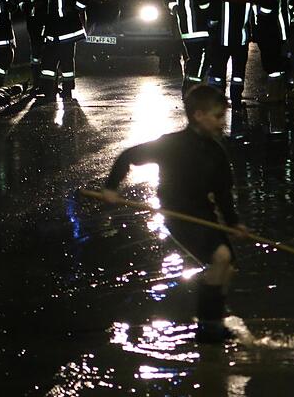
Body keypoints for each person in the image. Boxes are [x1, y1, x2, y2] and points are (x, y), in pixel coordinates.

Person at [100, 85, 238, 343]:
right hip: (177, 215)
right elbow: (128, 156)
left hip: (202, 214)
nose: (223, 122)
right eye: (218, 116)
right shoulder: (171, 145)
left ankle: (212, 306)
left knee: (228, 267)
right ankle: (209, 326)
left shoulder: (217, 153)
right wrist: (111, 188)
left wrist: (234, 223)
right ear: (198, 115)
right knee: (220, 258)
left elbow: (223, 194)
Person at [38, 0, 87, 100]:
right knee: (58, 61)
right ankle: (55, 89)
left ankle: (57, 90)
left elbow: (83, 0)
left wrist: (73, 9)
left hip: (66, 31)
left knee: (59, 61)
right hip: (57, 31)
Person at [209, 0, 256, 102]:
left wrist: (211, 28)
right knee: (238, 72)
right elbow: (254, 18)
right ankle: (236, 98)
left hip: (220, 40)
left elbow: (213, 17)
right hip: (240, 41)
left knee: (217, 71)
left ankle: (216, 97)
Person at [167, 0, 215, 93]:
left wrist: (176, 10)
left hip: (185, 32)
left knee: (192, 58)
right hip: (201, 30)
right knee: (202, 59)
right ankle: (193, 86)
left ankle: (187, 85)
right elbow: (205, 6)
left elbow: (169, 3)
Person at [251, 0, 291, 102]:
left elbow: (268, 11)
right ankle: (279, 93)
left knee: (271, 64)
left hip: (271, 32)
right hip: (278, 32)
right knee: (277, 63)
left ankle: (274, 96)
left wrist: (256, 5)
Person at [20, 0, 47, 93]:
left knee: (47, 53)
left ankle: (47, 83)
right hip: (34, 24)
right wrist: (28, 5)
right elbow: (21, 2)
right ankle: (37, 82)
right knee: (36, 55)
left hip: (45, 23)